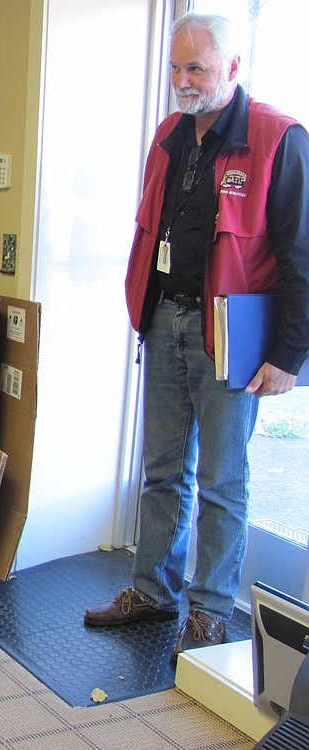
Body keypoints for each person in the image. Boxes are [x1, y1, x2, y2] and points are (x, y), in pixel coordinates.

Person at [85, 13, 309, 659]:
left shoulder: (278, 138)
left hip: (230, 338)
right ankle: (153, 592)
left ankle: (208, 612)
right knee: (161, 472)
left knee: (222, 481)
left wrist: (289, 355)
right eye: (176, 69)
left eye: (197, 70)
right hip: (167, 321)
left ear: (233, 69)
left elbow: (302, 258)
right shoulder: (170, 136)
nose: (183, 82)